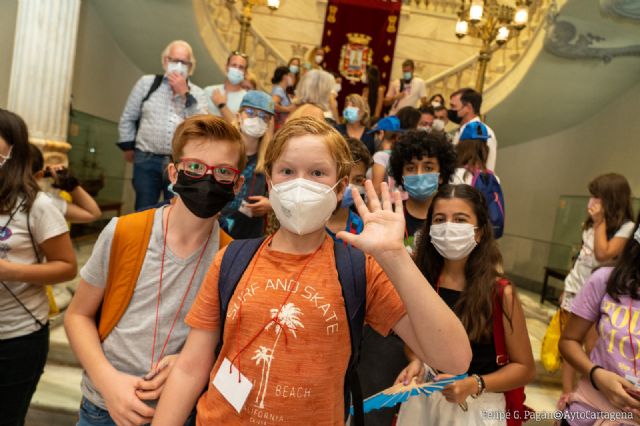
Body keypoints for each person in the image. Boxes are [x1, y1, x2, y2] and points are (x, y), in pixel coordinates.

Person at [151, 116, 472, 426]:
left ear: (339, 187)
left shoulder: (359, 268)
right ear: (271, 179)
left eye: (318, 172)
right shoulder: (231, 259)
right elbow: (190, 369)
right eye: (288, 171)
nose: (301, 183)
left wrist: (395, 258)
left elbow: (453, 358)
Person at [64, 115, 245, 426]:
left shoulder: (233, 259)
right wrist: (108, 382)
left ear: (238, 184)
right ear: (174, 172)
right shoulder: (124, 232)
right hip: (104, 407)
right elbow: (77, 315)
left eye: (224, 172)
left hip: (182, 410)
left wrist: (191, 360)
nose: (208, 179)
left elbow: (230, 345)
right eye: (196, 167)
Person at [396, 184, 535, 426]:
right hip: (424, 402)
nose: (448, 227)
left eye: (460, 219)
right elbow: (414, 342)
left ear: (479, 232)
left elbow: (524, 368)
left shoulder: (500, 292)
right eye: (440, 220)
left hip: (476, 409)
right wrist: (417, 361)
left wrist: (475, 384)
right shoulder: (421, 282)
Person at [0, 109, 77, 425]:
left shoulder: (39, 206)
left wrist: (9, 271)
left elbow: (67, 267)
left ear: (13, 155)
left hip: (16, 339)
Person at [558, 173, 635, 407]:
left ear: (610, 200)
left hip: (602, 296)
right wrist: (568, 286)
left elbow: (603, 254)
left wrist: (600, 222)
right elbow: (584, 256)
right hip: (576, 289)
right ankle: (568, 394)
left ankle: (597, 388)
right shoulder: (591, 225)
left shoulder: (627, 227)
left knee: (593, 347)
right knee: (570, 343)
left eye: (597, 197)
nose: (591, 202)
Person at [118, 40, 207, 211]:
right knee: (144, 209)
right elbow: (128, 117)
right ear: (166, 61)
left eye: (184, 62)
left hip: (180, 163)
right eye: (175, 60)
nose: (179, 66)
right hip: (146, 160)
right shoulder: (147, 83)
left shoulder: (197, 93)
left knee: (176, 211)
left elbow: (202, 126)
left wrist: (185, 94)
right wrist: (128, 147)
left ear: (191, 66)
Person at [220, 91, 274, 239]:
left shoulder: (271, 160)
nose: (257, 119)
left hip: (247, 236)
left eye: (264, 116)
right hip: (213, 229)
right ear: (238, 116)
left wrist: (271, 205)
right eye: (250, 113)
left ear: (269, 124)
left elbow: (285, 195)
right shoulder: (221, 150)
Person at [389, 130, 457, 246]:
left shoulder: (454, 216)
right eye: (411, 168)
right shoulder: (389, 215)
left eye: (428, 168)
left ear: (441, 175)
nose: (419, 174)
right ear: (401, 176)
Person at [29, 144, 102, 224]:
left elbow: (93, 214)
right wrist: (69, 183)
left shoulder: (40, 202)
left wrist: (69, 183)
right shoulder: (41, 203)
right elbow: (93, 213)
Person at [326, 137, 371, 242]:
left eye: (358, 180)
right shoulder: (310, 225)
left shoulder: (362, 228)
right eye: (342, 178)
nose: (348, 186)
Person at [450, 88, 498, 171]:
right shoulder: (460, 130)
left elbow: (487, 167)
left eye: (453, 106)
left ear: (468, 107)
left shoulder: (483, 132)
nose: (451, 110)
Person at [205, 51, 249, 123]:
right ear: (226, 67)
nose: (237, 70)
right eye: (234, 65)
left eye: (241, 67)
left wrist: (222, 105)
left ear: (245, 72)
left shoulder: (247, 99)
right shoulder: (209, 91)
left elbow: (238, 128)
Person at [370, 115, 404, 195]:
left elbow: (376, 190)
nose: (374, 138)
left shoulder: (380, 156)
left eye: (375, 134)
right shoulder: (401, 154)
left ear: (381, 133)